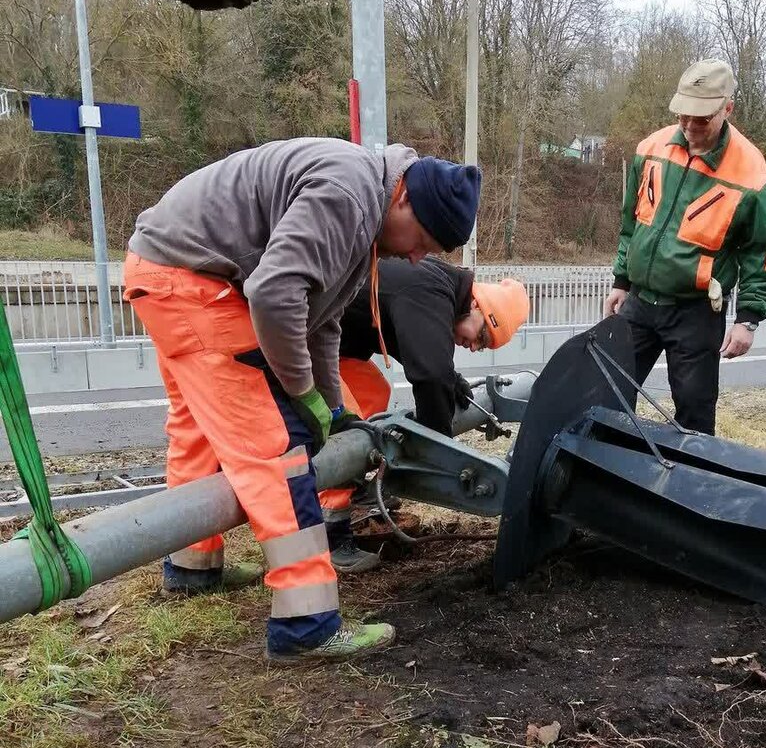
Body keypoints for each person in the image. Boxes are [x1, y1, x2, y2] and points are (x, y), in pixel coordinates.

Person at [123, 139, 480, 663]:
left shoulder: (363, 209)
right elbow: (273, 294)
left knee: (197, 429)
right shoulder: (350, 197)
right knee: (276, 450)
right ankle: (306, 623)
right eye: (423, 240)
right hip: (195, 284)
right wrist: (300, 395)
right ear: (403, 198)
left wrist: (332, 408)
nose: (417, 256)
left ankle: (193, 567)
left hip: (166, 269)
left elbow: (322, 321)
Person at [603, 59, 766, 435]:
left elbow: (762, 252)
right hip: (640, 301)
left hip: (696, 312)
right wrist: (621, 279)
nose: (689, 127)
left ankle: (692, 483)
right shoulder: (652, 148)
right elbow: (632, 221)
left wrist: (748, 318)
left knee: (695, 413)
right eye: (683, 116)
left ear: (727, 108)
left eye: (701, 119)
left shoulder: (750, 173)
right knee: (608, 391)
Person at [321, 257, 530, 571]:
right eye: (482, 337)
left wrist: (451, 379)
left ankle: (355, 487)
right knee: (344, 421)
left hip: (333, 340)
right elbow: (430, 375)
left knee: (374, 392)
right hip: (309, 339)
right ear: (475, 305)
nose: (474, 347)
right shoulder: (431, 292)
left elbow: (417, 345)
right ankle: (330, 530)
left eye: (482, 347)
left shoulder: (438, 288)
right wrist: (438, 451)